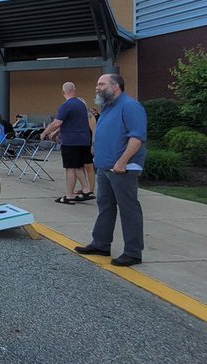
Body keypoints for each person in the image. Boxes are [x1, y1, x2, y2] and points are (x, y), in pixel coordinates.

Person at [75, 73, 148, 267]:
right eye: (97, 84)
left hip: (122, 168)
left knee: (128, 209)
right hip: (106, 166)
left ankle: (133, 252)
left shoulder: (130, 106)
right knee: (105, 206)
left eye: (101, 84)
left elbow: (137, 138)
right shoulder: (107, 107)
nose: (97, 87)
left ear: (116, 86)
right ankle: (101, 244)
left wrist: (122, 162)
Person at [41, 82, 96, 205]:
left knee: (71, 167)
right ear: (75, 90)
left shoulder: (66, 105)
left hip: (71, 141)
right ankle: (70, 194)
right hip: (84, 140)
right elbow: (70, 122)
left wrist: (45, 132)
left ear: (63, 92)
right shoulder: (82, 105)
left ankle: (85, 190)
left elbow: (57, 122)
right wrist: (56, 132)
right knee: (76, 167)